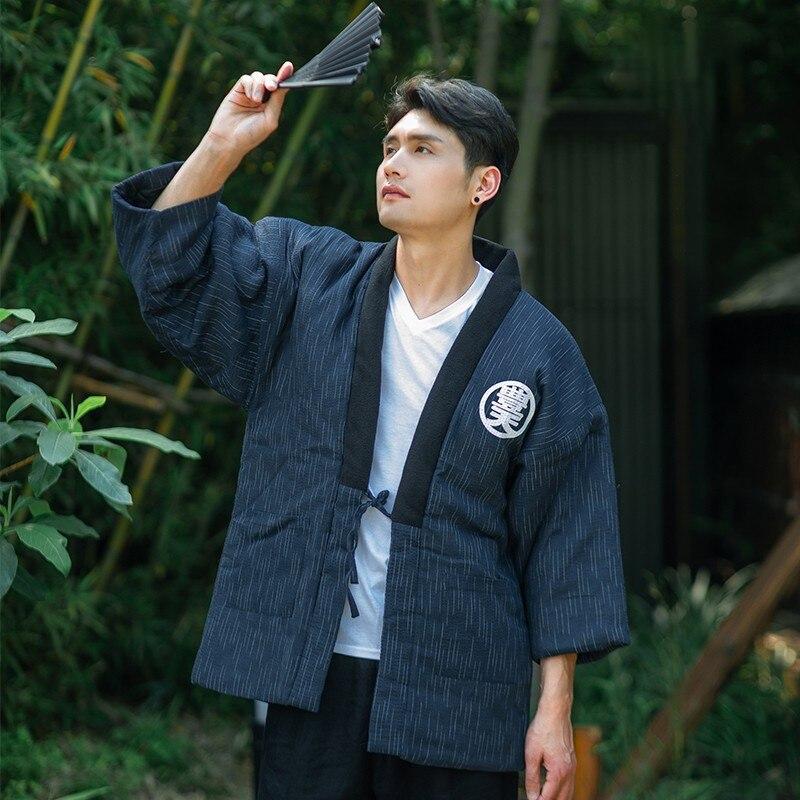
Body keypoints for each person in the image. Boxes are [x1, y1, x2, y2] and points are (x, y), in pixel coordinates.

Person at [111, 60, 631, 800]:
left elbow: (566, 539)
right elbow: (172, 265)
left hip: (458, 682)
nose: (394, 163)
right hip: (313, 667)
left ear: (482, 184)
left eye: (423, 149)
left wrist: (554, 711)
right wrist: (223, 144)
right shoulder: (307, 279)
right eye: (390, 147)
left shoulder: (537, 350)